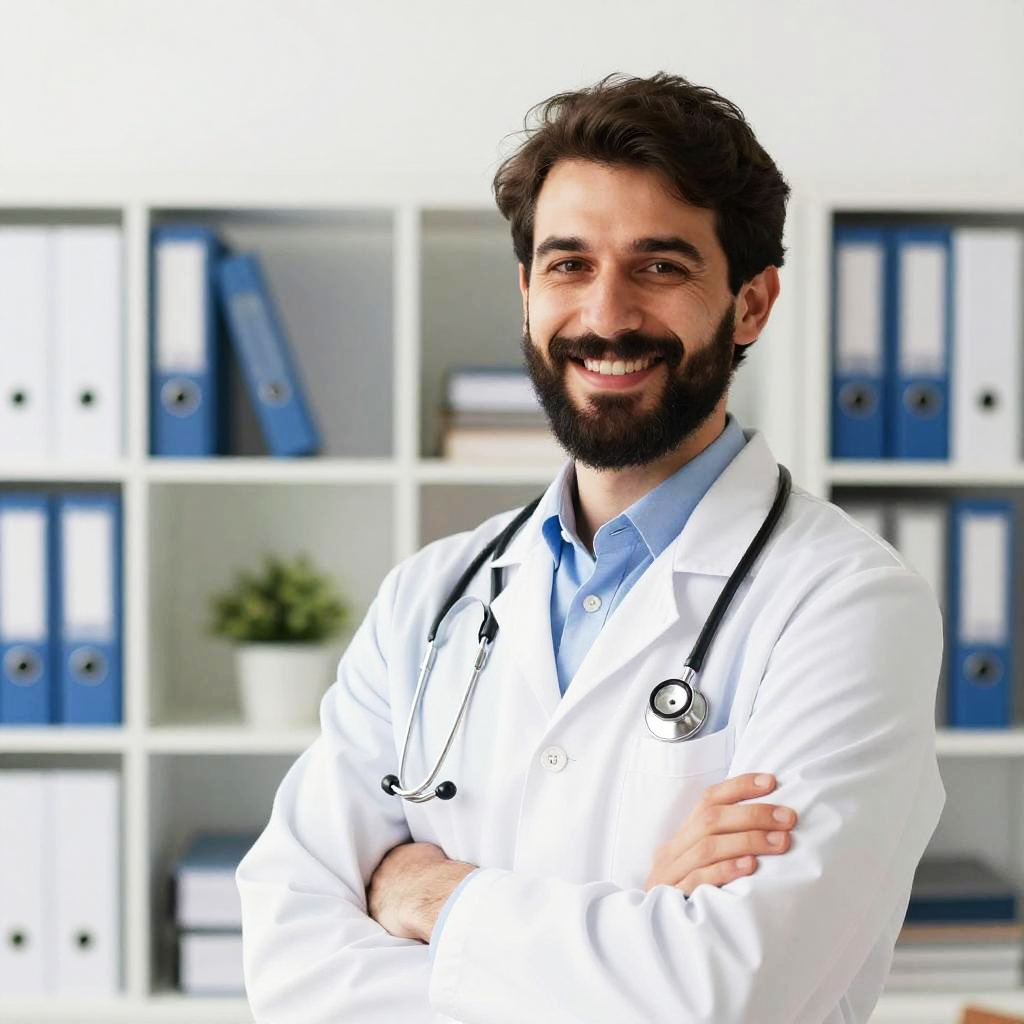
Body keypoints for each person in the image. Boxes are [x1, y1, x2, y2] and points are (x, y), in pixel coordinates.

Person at [236, 72, 944, 1024]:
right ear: (527, 290)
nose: (607, 317)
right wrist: (643, 917)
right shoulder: (429, 597)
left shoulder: (849, 607)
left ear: (750, 304)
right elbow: (291, 964)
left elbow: (730, 992)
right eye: (569, 264)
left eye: (660, 266)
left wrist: (430, 896)